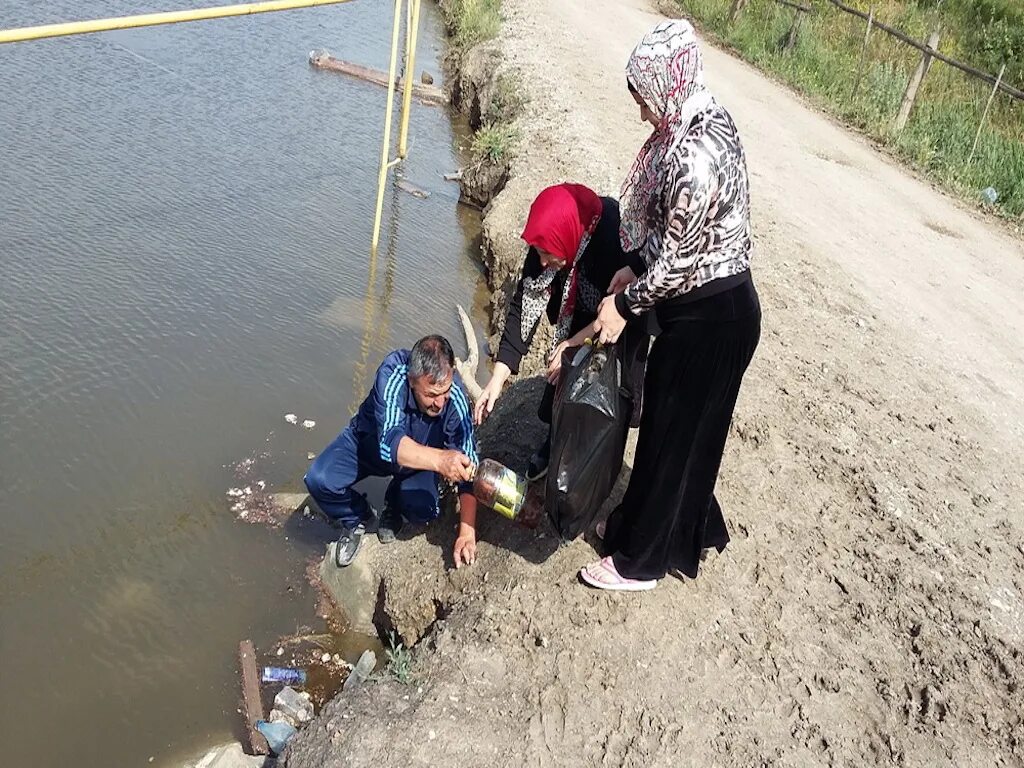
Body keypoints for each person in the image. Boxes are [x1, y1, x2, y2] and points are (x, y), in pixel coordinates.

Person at [584, 20, 762, 591]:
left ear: (666, 83)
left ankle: (641, 563)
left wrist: (625, 303)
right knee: (683, 434)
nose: (641, 114)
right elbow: (684, 235)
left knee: (669, 439)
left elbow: (679, 265)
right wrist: (635, 265)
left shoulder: (693, 155)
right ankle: (681, 525)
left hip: (713, 321)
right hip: (714, 310)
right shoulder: (702, 116)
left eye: (643, 100)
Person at [473, 183, 649, 479]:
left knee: (604, 401)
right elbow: (523, 305)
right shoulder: (547, 239)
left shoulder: (614, 234)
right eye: (538, 252)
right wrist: (498, 378)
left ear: (569, 235)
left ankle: (594, 464)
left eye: (548, 254)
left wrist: (573, 343)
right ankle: (555, 444)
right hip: (580, 315)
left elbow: (628, 305)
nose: (542, 262)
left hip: (624, 319)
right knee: (563, 382)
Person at [304, 335, 480, 568]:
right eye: (431, 395)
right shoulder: (392, 374)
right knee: (319, 480)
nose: (439, 403)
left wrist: (467, 532)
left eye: (444, 392)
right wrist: (441, 460)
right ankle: (357, 517)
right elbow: (391, 443)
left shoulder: (455, 399)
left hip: (419, 462)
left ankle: (394, 501)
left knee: (424, 510)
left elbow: (469, 472)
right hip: (370, 444)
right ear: (412, 380)